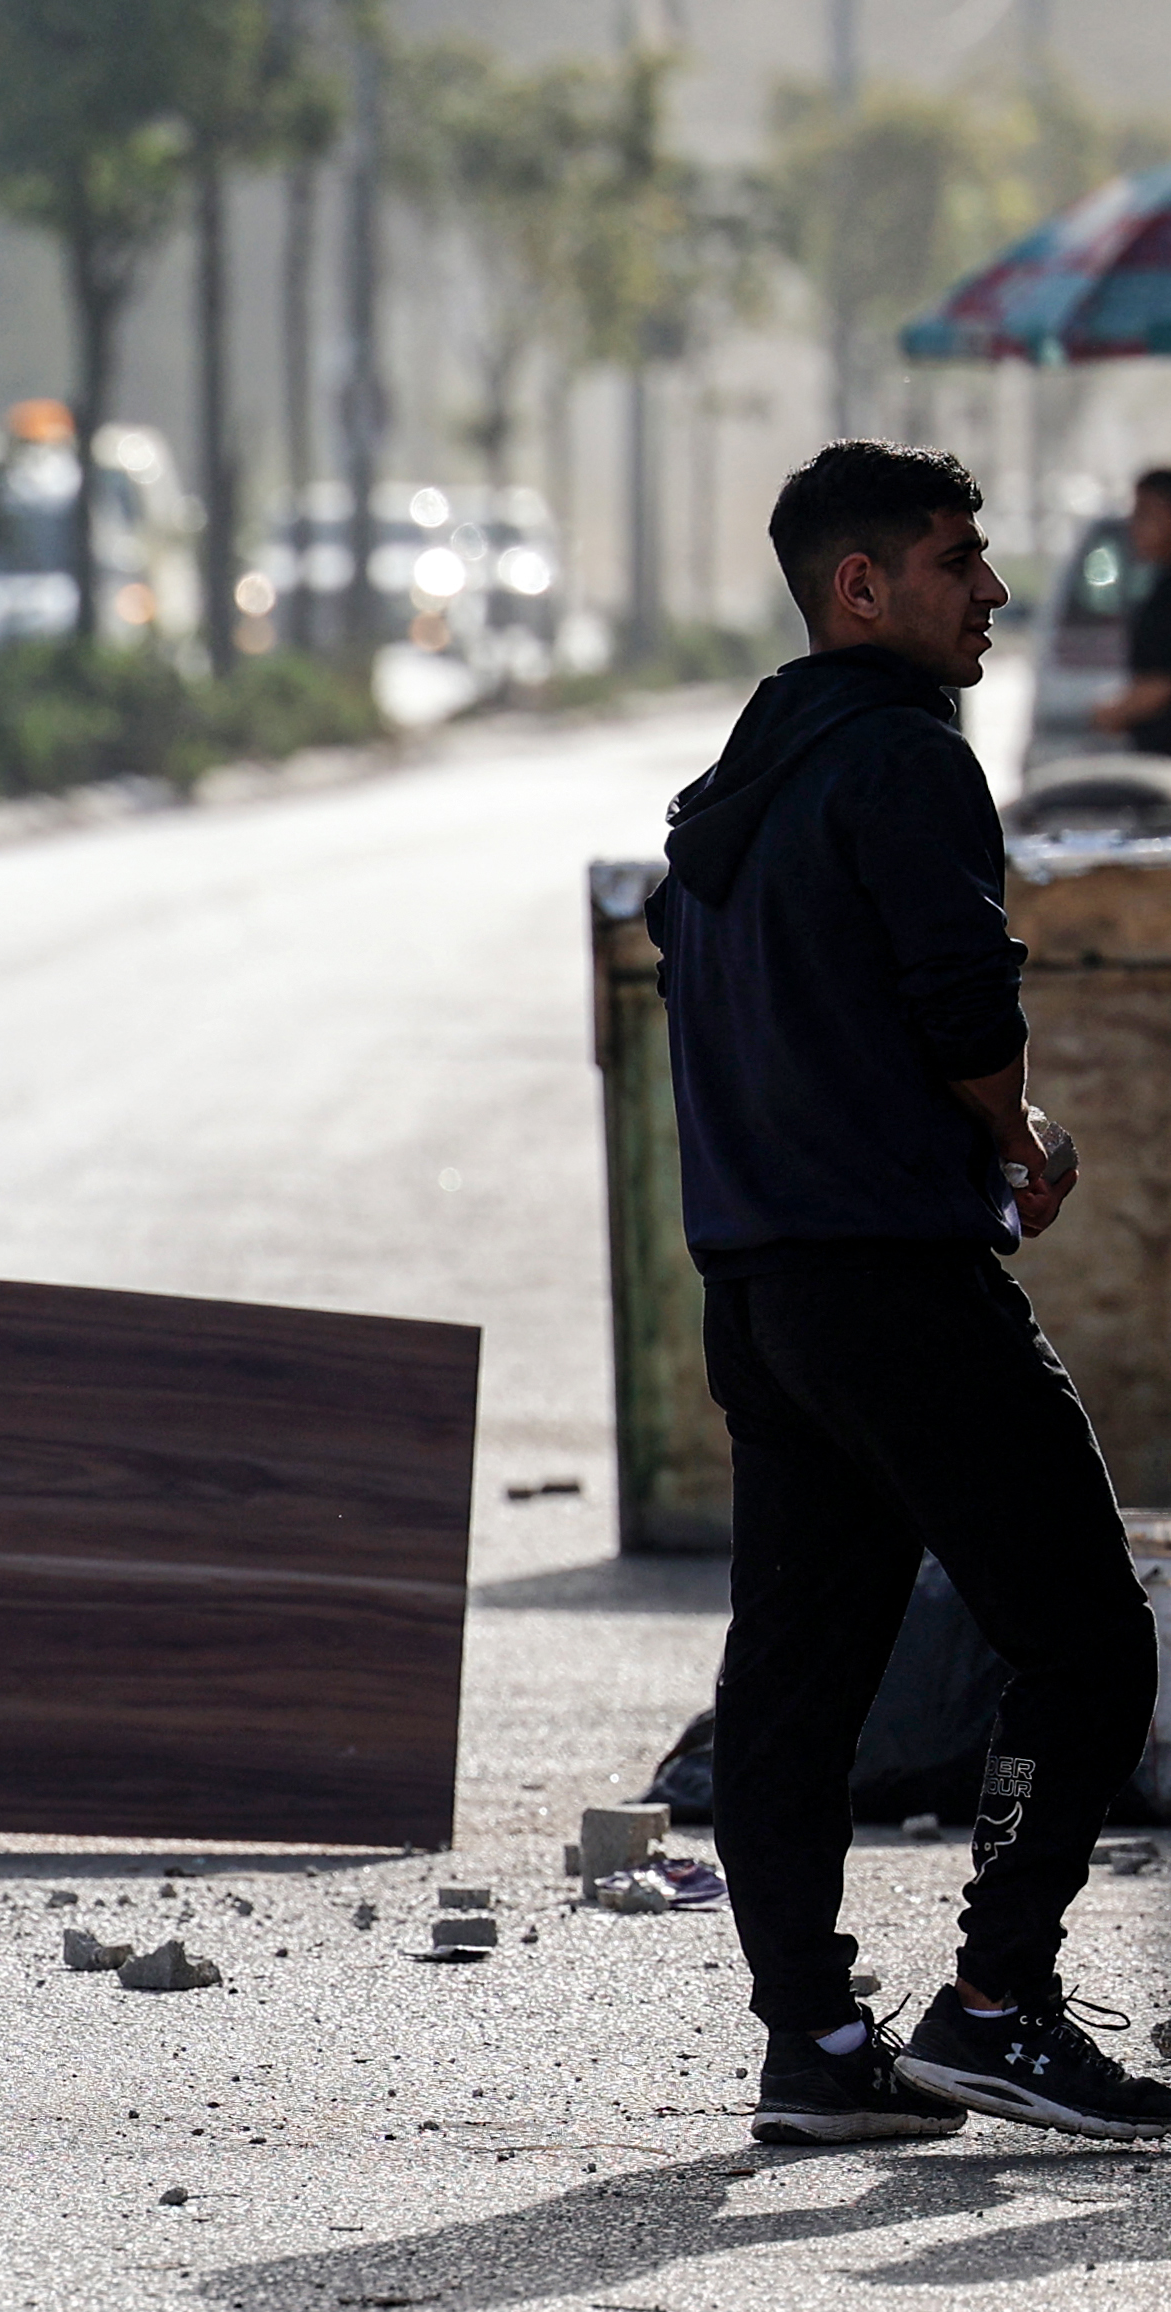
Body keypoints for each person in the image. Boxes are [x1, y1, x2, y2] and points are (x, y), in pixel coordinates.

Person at [650, 438, 1171, 2145]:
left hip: (761, 1293)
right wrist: (1016, 1135)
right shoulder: (903, 755)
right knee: (1087, 1642)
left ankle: (810, 2044)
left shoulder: (740, 774)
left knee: (791, 1687)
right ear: (858, 587)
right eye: (957, 560)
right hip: (894, 1280)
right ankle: (995, 2005)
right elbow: (960, 1002)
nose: (993, 591)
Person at [1086, 466, 1171, 754]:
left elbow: (1160, 682)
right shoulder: (1160, 585)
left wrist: (1112, 713)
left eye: (1146, 513)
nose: (1135, 525)